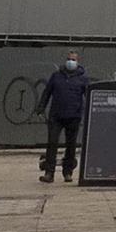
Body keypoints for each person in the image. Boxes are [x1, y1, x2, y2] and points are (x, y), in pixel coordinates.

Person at [36, 50, 91, 183]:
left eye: (73, 59)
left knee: (71, 145)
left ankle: (68, 172)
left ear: (77, 62)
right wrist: (41, 108)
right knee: (52, 143)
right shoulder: (56, 76)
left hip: (74, 116)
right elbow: (47, 92)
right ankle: (49, 173)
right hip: (56, 115)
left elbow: (89, 96)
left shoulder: (82, 78)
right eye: (68, 59)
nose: (70, 62)